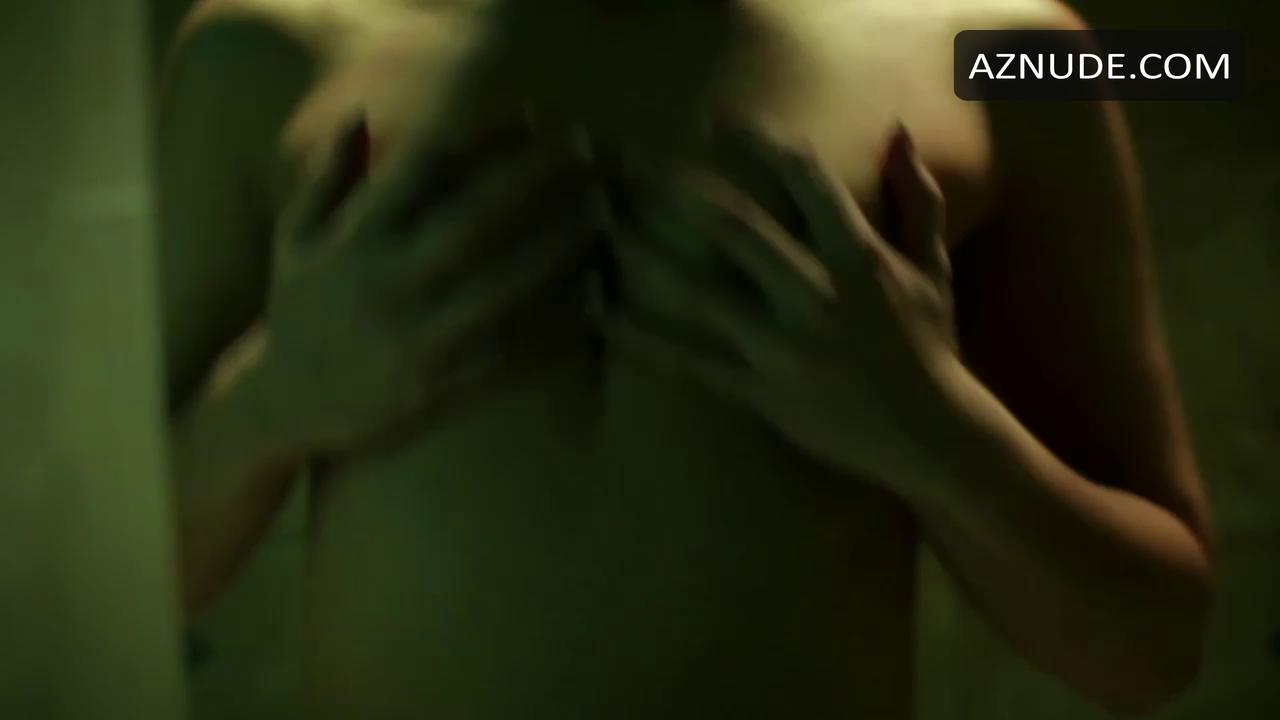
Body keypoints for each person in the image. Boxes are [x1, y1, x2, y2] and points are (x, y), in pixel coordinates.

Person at [157, 0, 1213, 717]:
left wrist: (931, 430)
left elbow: (1154, 647)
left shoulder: (1011, 51)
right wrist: (272, 403)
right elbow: (101, 599)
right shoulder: (255, 50)